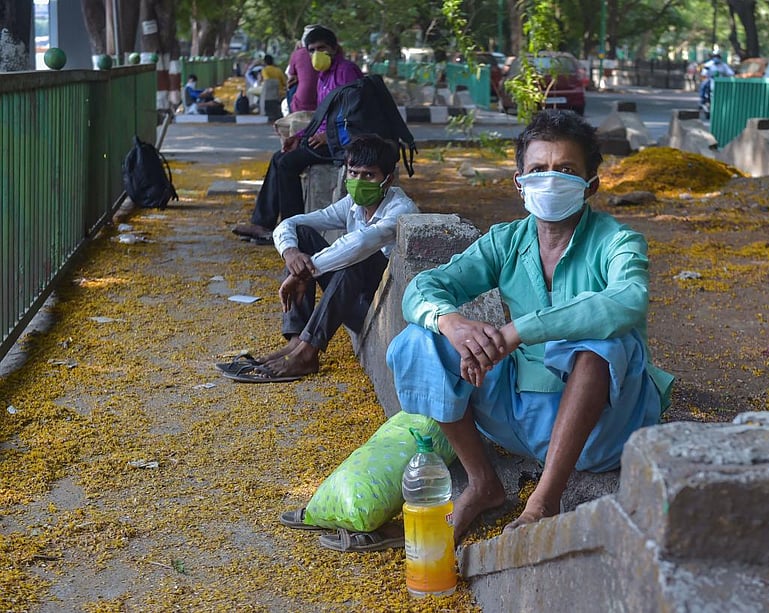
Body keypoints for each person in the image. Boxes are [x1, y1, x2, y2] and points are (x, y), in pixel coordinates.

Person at [385, 109, 674, 542]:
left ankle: (543, 500)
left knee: (603, 344)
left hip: (602, 429)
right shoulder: (506, 241)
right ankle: (483, 482)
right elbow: (425, 286)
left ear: (590, 185)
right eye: (538, 169)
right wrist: (452, 323)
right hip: (516, 415)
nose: (551, 180)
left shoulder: (618, 241)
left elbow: (627, 301)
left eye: (566, 170)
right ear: (520, 183)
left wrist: (520, 330)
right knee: (417, 341)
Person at [219, 134, 418, 383]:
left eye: (369, 175)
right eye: (353, 173)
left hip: (376, 308)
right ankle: (296, 341)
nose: (358, 181)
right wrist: (291, 254)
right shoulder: (352, 205)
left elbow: (359, 244)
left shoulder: (401, 210)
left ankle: (307, 352)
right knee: (300, 236)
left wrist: (304, 273)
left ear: (387, 180)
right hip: (346, 297)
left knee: (356, 255)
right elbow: (291, 224)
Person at [232, 26, 364, 243]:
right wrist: (300, 137)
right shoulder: (324, 75)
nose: (316, 54)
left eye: (321, 48)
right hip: (325, 139)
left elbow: (353, 113)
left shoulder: (345, 71)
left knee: (287, 164)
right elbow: (322, 116)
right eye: (311, 50)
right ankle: (263, 224)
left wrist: (326, 137)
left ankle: (292, 229)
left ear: (334, 48)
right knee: (278, 157)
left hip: (341, 143)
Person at [286, 25, 320, 113]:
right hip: (323, 99)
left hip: (303, 102)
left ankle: (291, 116)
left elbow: (291, 74)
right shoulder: (331, 54)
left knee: (292, 86)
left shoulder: (298, 53)